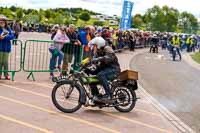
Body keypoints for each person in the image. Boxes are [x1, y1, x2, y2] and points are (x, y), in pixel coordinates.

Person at [88, 36, 121, 102]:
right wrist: (88, 68)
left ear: (99, 45)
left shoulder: (107, 48)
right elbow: (98, 64)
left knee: (101, 75)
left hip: (114, 70)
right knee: (91, 80)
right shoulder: (98, 51)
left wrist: (98, 59)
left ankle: (109, 95)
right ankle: (96, 96)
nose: (93, 47)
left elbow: (109, 58)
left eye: (95, 45)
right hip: (106, 69)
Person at [0, 15, 14, 80]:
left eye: (3, 21)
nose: (1, 22)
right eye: (0, 21)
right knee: (0, 61)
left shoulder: (8, 29)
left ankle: (6, 74)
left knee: (5, 62)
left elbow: (12, 36)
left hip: (6, 48)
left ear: (5, 22)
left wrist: (5, 37)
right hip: (0, 48)